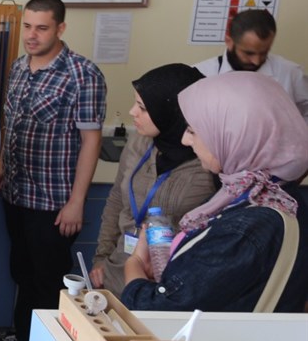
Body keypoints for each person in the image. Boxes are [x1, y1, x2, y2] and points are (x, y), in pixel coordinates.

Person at [122, 72, 308, 312]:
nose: (185, 140)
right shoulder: (270, 194)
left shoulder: (244, 229)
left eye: (193, 130)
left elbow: (157, 309)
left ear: (235, 135)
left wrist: (135, 266)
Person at [0, 0, 107, 341]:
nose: (31, 35)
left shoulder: (82, 74)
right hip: (16, 193)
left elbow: (91, 141)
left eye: (41, 28)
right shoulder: (19, 68)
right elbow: (11, 123)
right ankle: (25, 337)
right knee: (22, 270)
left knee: (48, 279)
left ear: (60, 28)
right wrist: (1, 164)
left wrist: (76, 202)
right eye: (27, 26)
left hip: (54, 201)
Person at [89, 64, 215, 297]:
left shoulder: (209, 161)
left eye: (143, 108)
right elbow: (117, 199)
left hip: (168, 287)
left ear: (172, 112)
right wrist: (102, 256)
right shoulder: (139, 142)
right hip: (116, 274)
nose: (132, 112)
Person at [193, 9, 308, 122]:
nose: (256, 61)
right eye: (249, 53)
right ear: (229, 41)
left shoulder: (290, 73)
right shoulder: (200, 74)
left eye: (264, 53)